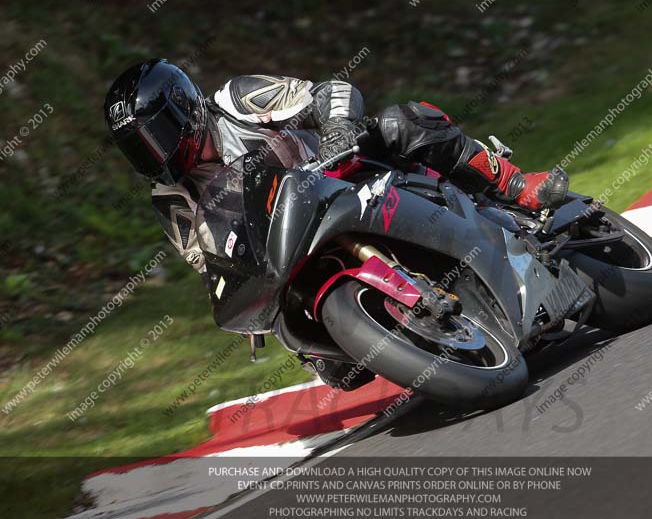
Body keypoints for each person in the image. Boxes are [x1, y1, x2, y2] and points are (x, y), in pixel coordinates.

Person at [104, 59, 569, 388]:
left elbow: (331, 92)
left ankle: (514, 184)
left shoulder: (236, 99)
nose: (155, 154)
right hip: (289, 248)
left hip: (342, 175)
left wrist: (337, 130)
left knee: (401, 122)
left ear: (183, 107)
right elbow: (210, 263)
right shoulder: (170, 198)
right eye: (139, 148)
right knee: (342, 373)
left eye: (156, 136)